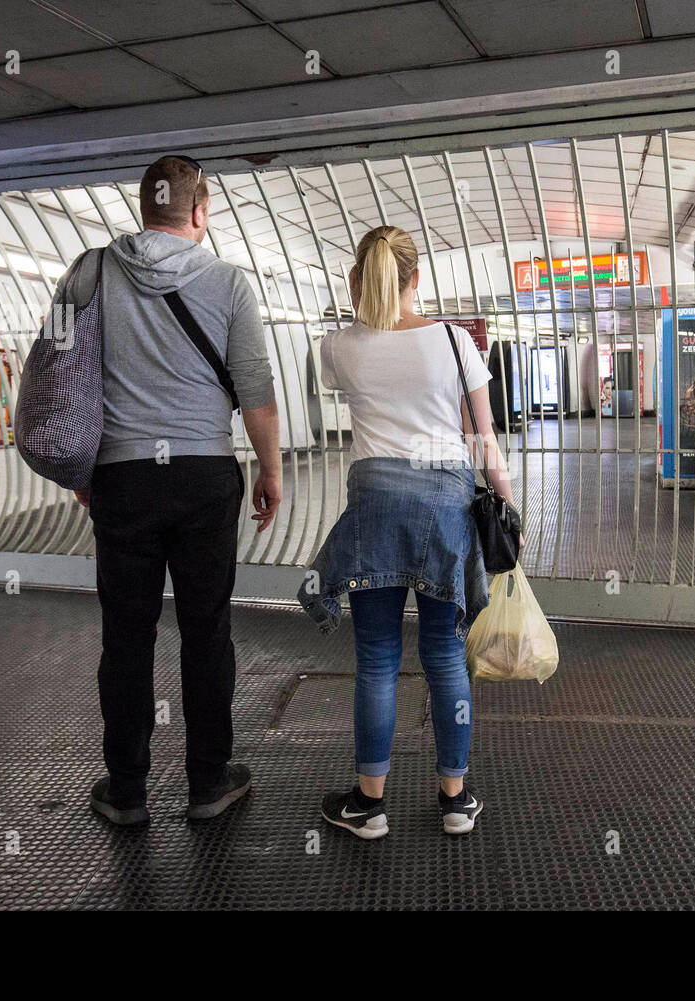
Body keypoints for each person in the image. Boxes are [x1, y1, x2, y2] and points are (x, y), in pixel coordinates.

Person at [65, 154, 282, 826]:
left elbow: (59, 369)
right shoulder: (228, 281)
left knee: (125, 637)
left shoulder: (89, 272)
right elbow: (254, 389)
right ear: (198, 209)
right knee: (206, 631)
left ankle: (127, 789)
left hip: (121, 478)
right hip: (202, 476)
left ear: (144, 206)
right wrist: (271, 470)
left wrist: (80, 464)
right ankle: (208, 780)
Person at [298, 224, 520, 839]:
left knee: (376, 659)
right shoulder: (454, 342)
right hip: (445, 503)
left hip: (375, 504)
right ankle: (455, 799)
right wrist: (507, 509)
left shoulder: (337, 347)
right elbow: (484, 442)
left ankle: (369, 805)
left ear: (361, 278)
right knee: (446, 654)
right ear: (416, 278)